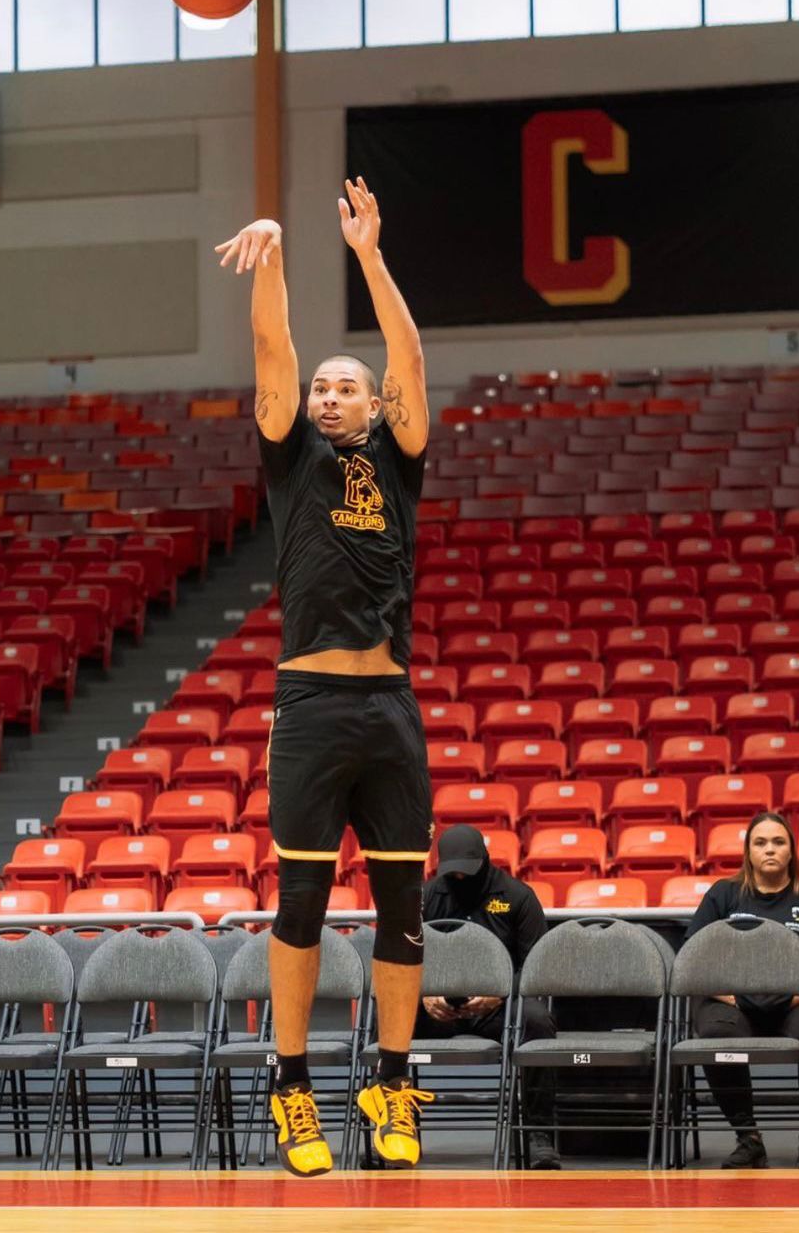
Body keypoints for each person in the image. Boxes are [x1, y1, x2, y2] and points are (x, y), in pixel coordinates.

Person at [215, 177, 432, 1178]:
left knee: (403, 914)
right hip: (308, 706)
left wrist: (370, 255)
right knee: (298, 905)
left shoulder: (401, 453)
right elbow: (273, 351)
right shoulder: (290, 454)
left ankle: (391, 1077)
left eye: (344, 385)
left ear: (373, 400)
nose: (327, 394)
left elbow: (412, 355)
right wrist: (271, 257)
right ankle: (292, 1085)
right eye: (320, 388)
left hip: (388, 706)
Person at [684, 810, 799, 1169]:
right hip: (731, 1002)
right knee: (713, 1036)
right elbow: (694, 959)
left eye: (778, 842)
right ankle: (748, 1137)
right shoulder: (723, 895)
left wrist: (793, 994)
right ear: (748, 852)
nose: (769, 849)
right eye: (760, 842)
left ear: (791, 851)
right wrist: (737, 997)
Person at [417, 824, 560, 1169]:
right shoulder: (426, 896)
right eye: (452, 873)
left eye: (467, 872)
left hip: (500, 1006)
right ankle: (396, 1128)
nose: (460, 880)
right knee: (385, 1020)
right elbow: (404, 959)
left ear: (486, 860)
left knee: (538, 1022)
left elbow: (536, 967)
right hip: (438, 1005)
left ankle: (538, 1134)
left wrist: (500, 992)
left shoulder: (517, 897)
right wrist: (425, 993)